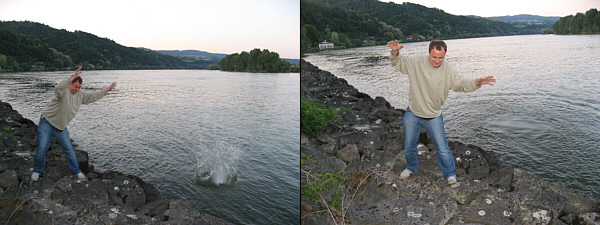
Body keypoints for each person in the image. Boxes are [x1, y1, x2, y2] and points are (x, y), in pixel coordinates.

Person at [387, 40, 496, 184]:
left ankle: (449, 173)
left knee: (442, 147)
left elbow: (461, 84)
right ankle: (412, 168)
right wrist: (395, 52)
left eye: (441, 58)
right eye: (434, 57)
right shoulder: (415, 62)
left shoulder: (448, 70)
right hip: (413, 112)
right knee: (409, 145)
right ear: (429, 53)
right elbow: (397, 63)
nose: (437, 61)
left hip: (433, 115)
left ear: (444, 55)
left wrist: (476, 82)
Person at [31, 66, 117, 181]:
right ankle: (37, 170)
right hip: (47, 122)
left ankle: (76, 172)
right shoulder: (62, 92)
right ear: (70, 84)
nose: (77, 89)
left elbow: (92, 96)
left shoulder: (80, 95)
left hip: (60, 126)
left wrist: (106, 90)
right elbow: (57, 88)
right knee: (42, 147)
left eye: (79, 87)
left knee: (69, 150)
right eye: (75, 87)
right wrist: (71, 77)